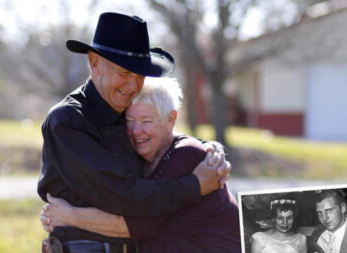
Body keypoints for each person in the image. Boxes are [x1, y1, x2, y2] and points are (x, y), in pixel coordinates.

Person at [37, 12, 231, 253]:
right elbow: (124, 196)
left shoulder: (122, 107)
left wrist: (209, 150)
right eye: (124, 73)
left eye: (139, 75)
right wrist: (196, 185)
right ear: (95, 63)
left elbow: (162, 135)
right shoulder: (68, 121)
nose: (132, 85)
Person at [41, 77, 241, 253]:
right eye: (130, 121)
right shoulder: (142, 157)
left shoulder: (186, 154)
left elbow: (134, 226)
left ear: (170, 119)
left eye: (146, 121)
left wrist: (69, 216)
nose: (137, 131)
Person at [308, 189, 347, 253]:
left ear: (343, 208)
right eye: (319, 213)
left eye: (329, 210)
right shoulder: (319, 235)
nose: (325, 218)